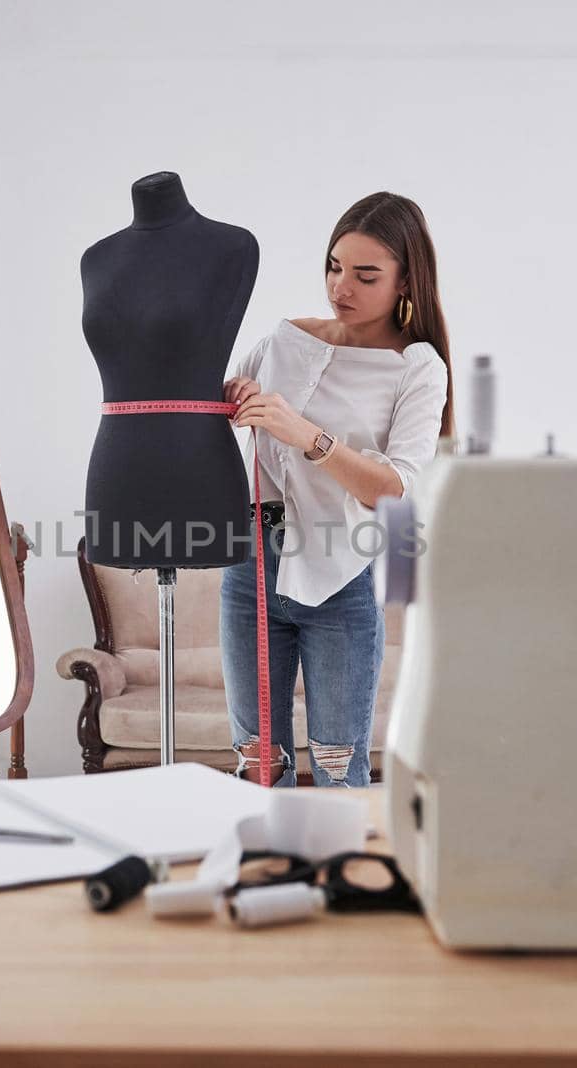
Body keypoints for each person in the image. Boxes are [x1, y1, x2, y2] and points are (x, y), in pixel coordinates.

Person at [220, 191, 453, 787]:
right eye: (334, 266)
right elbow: (220, 405)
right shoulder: (282, 343)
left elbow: (397, 490)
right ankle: (261, 877)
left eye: (365, 275)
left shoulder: (417, 366)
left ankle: (343, 880)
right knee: (255, 764)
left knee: (337, 771)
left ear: (406, 281)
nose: (340, 287)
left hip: (342, 579)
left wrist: (308, 436)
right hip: (250, 566)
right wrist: (222, 402)